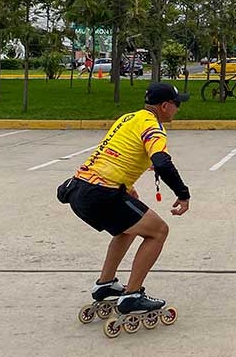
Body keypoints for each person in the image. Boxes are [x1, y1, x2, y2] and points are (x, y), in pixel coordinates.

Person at [57, 82, 191, 318]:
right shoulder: (153, 126)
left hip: (80, 189)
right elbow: (162, 162)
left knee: (127, 229)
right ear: (165, 106)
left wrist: (127, 188)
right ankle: (133, 295)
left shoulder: (128, 118)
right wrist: (183, 194)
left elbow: (114, 154)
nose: (178, 110)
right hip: (102, 194)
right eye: (177, 105)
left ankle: (106, 284)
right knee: (158, 231)